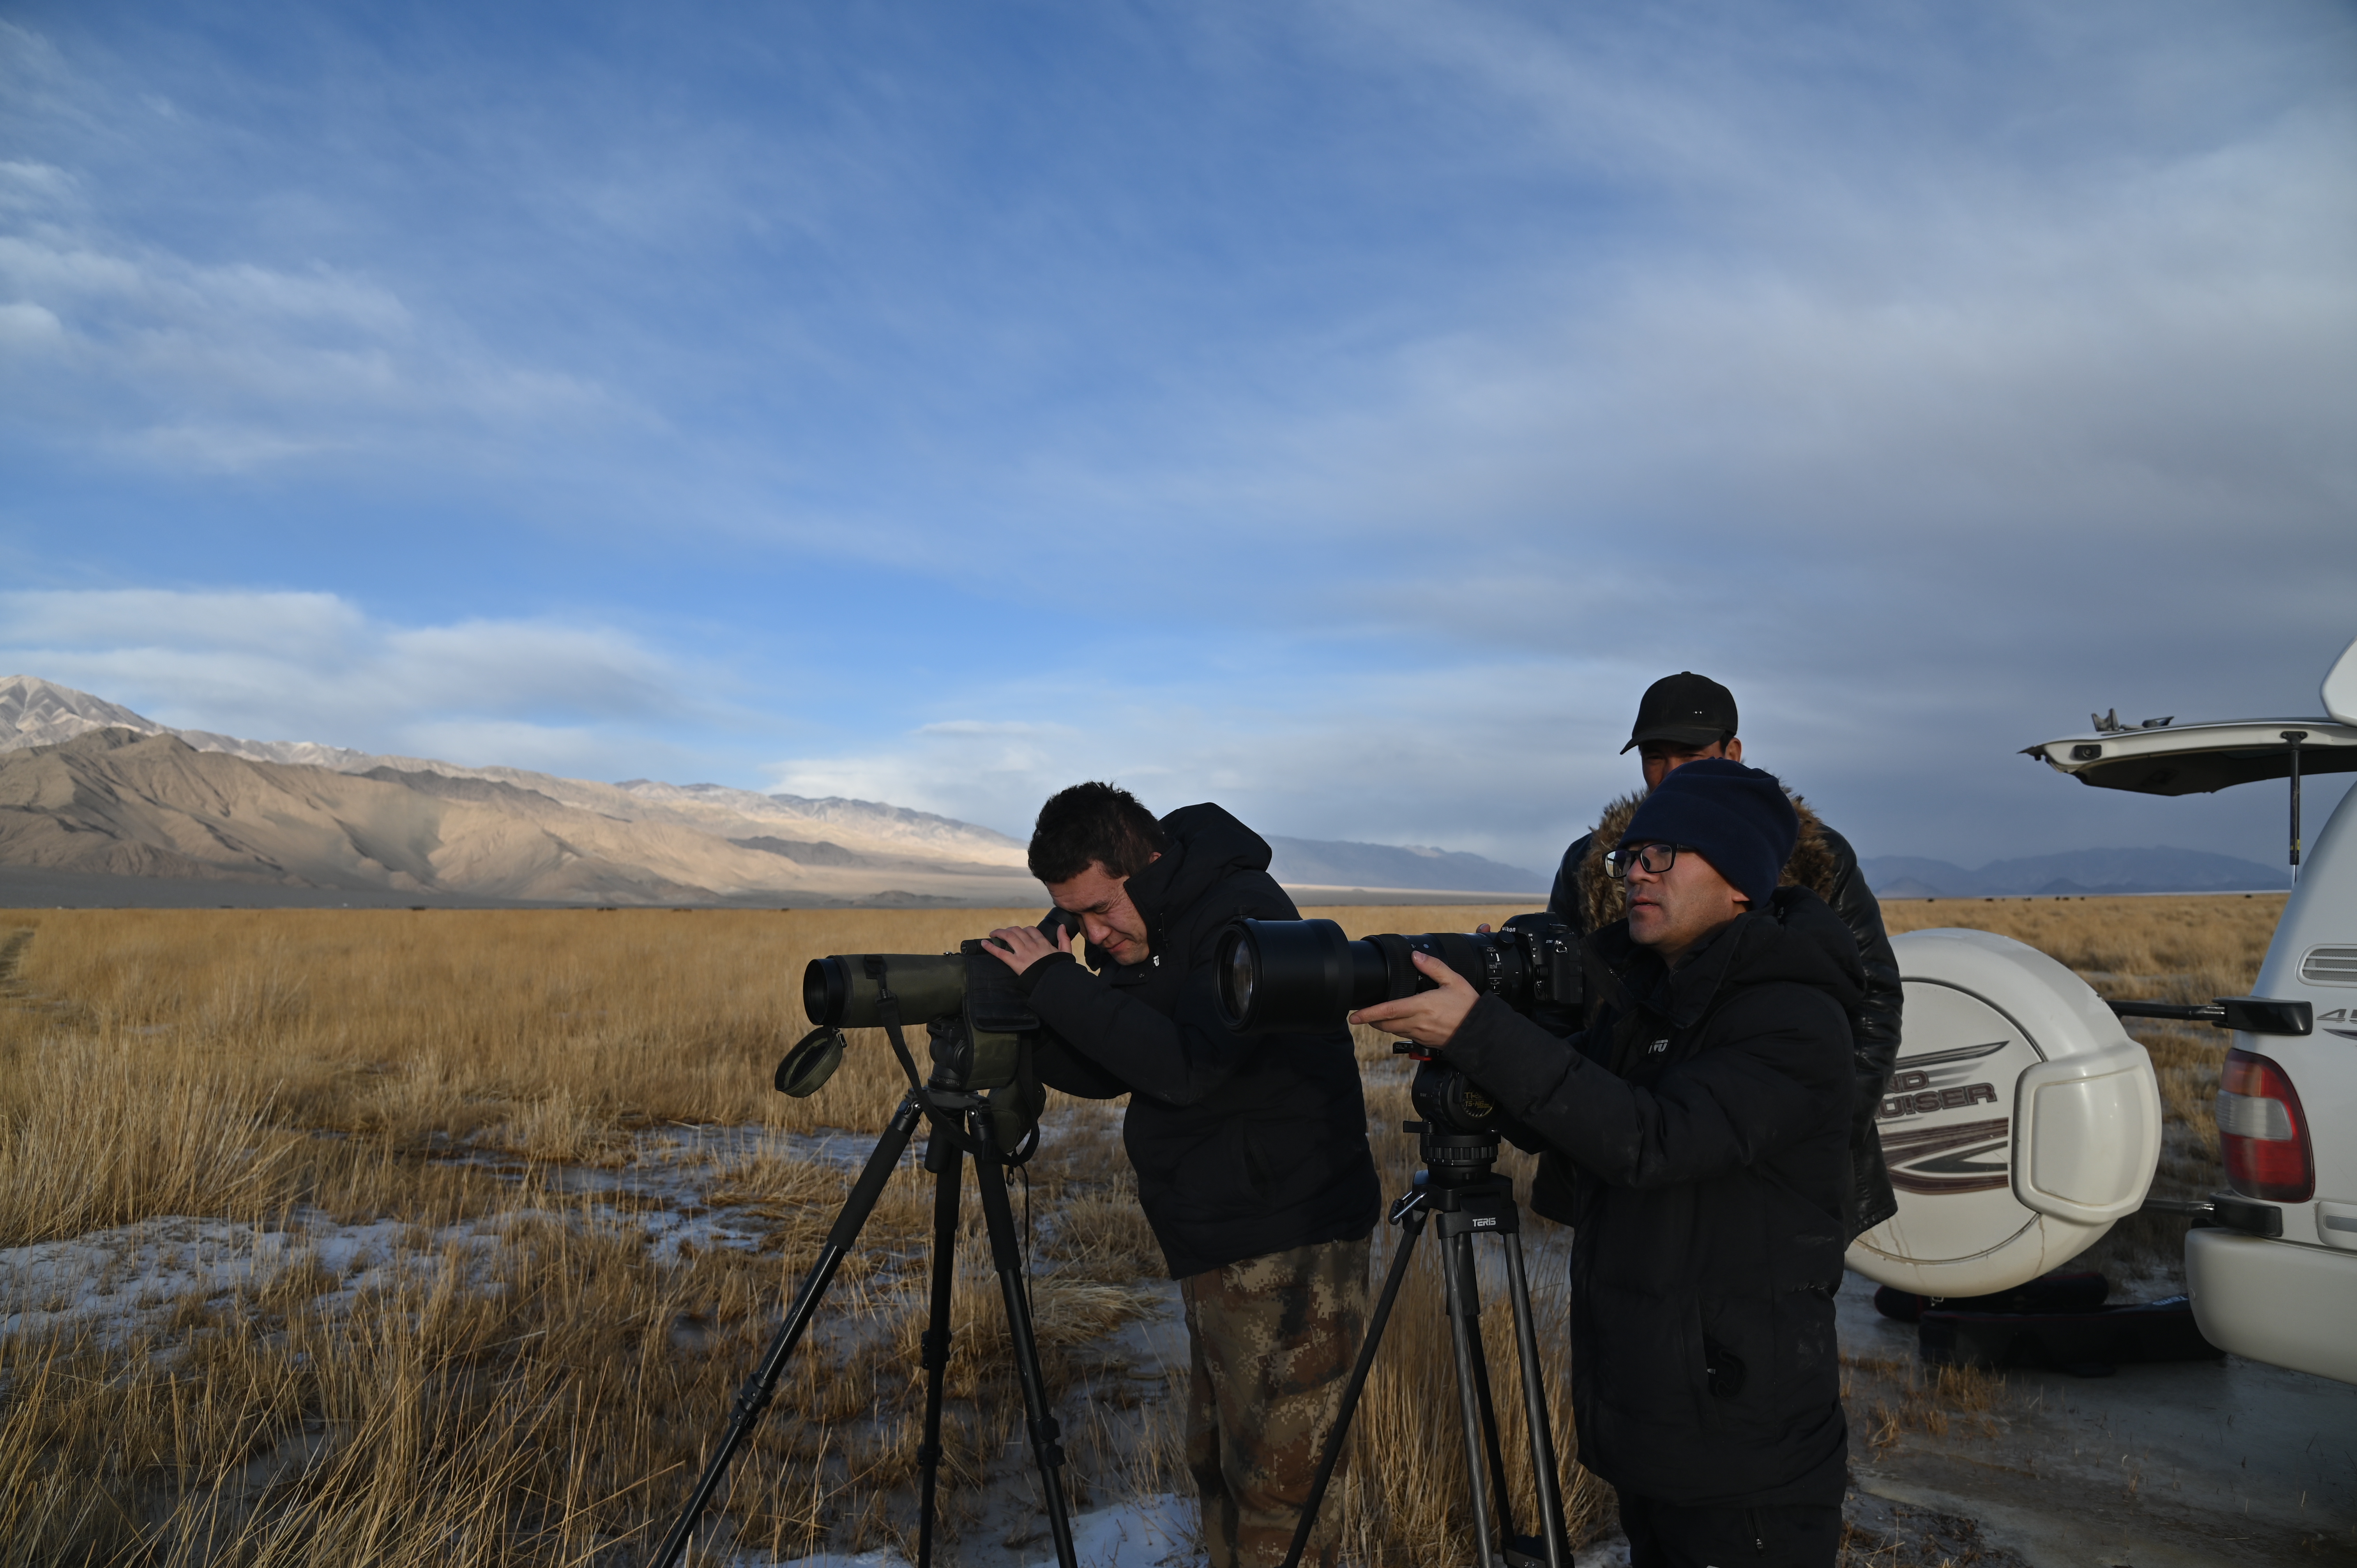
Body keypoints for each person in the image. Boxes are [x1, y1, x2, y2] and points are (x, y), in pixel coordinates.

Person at [1356, 759, 1859, 1568]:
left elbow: (1650, 1139)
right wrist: (1482, 1049)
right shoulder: (1656, 996)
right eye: (1632, 855)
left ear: (1739, 880)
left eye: (1665, 855)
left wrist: (1483, 1033)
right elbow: (1579, 1120)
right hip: (1660, 1432)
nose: (1635, 875)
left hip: (1745, 1460)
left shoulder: (1793, 1018)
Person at [981, 783, 1380, 1568]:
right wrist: (1025, 1017)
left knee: (1281, 1489)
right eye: (1075, 918)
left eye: (1099, 910)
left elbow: (1192, 1066)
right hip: (1219, 1235)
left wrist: (1056, 985)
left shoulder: (1241, 915)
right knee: (1221, 1463)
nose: (1092, 934)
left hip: (1289, 1236)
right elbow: (1118, 1062)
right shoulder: (1153, 924)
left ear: (1144, 862)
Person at [1550, 671, 1902, 1240]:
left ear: (1733, 753)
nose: (1668, 774)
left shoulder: (1814, 855)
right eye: (1654, 757)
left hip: (1773, 1181)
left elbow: (1873, 1004)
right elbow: (1562, 999)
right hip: (1628, 1166)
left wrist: (1811, 1138)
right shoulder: (1596, 862)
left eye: (1689, 755)